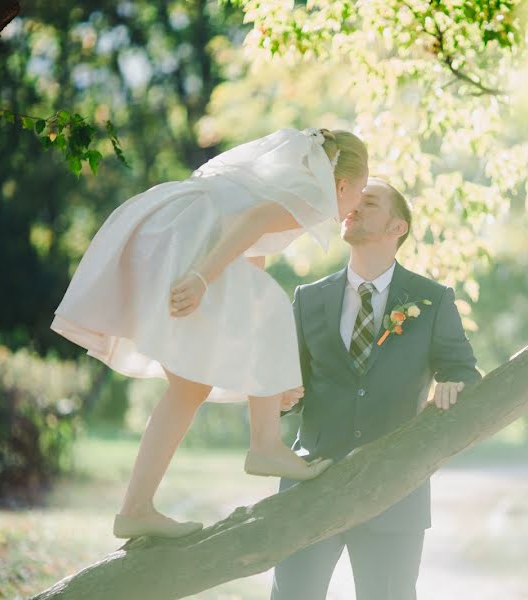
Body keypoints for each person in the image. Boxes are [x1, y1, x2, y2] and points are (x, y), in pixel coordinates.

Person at [50, 128, 369, 539]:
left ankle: (135, 509)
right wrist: (201, 277)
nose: (354, 207)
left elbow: (247, 278)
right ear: (341, 182)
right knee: (270, 305)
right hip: (183, 239)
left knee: (190, 386)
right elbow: (252, 228)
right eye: (360, 192)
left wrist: (269, 385)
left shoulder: (277, 186)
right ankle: (266, 445)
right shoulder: (311, 194)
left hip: (168, 229)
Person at [271, 178, 481, 600]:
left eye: (368, 203)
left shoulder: (432, 299)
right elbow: (285, 388)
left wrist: (450, 385)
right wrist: (278, 398)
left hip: (394, 491)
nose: (353, 208)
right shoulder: (308, 298)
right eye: (351, 202)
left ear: (396, 228)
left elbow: (464, 372)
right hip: (311, 485)